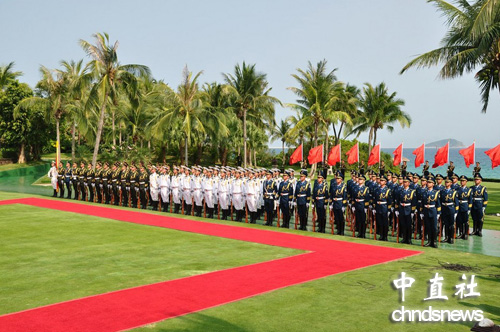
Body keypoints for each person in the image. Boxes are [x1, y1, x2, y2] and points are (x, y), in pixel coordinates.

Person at [396, 176, 416, 245]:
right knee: (403, 225)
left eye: (406, 182)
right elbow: (397, 201)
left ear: (409, 183)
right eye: (404, 182)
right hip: (402, 208)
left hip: (408, 209)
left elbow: (413, 202)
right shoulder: (401, 191)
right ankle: (404, 238)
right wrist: (397, 209)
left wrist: (413, 212)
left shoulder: (412, 192)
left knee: (409, 225)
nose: (404, 183)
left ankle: (409, 239)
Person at [422, 176, 441, 248]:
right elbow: (422, 203)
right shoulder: (424, 192)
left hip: (433, 211)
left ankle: (434, 241)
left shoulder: (436, 193)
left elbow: (438, 204)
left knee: (434, 227)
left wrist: (438, 213)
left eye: (430, 182)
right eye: (428, 182)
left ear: (433, 184)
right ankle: (429, 241)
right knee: (428, 227)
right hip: (426, 211)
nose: (428, 183)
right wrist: (421, 212)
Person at [440, 177, 459, 244]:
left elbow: (456, 202)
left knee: (451, 224)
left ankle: (451, 238)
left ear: (451, 183)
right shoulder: (442, 191)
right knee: (445, 223)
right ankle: (446, 237)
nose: (446, 183)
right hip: (444, 208)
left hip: (451, 208)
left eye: (448, 182)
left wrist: (456, 211)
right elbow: (440, 201)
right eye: (446, 182)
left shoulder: (454, 192)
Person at [373, 175, 392, 241]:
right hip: (378, 207)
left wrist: (389, 209)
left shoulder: (388, 190)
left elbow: (389, 201)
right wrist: (374, 208)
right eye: (380, 180)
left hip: (384, 207)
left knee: (385, 223)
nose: (381, 182)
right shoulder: (377, 190)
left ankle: (385, 236)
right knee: (380, 222)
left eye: (382, 181)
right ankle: (381, 235)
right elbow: (375, 199)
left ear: (385, 182)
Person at [456, 175, 472, 240]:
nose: (462, 182)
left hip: (465, 206)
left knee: (465, 221)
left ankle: (465, 233)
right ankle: (461, 233)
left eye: (463, 181)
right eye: (461, 181)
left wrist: (469, 209)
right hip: (459, 206)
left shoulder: (469, 190)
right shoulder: (458, 189)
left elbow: (470, 200)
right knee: (459, 221)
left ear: (466, 182)